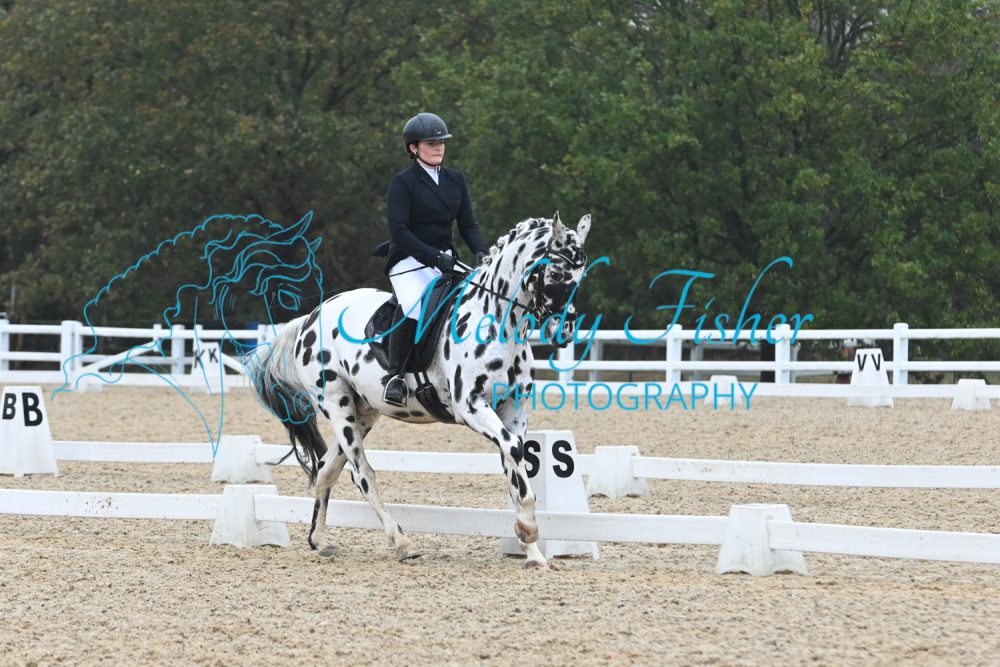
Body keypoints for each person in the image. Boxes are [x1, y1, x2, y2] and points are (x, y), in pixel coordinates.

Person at [372, 112, 488, 407]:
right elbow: (399, 231)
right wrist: (434, 257)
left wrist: (480, 250)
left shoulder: (455, 179)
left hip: (444, 258)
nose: (439, 147)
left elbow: (468, 224)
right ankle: (395, 377)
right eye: (431, 143)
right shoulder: (403, 183)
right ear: (413, 148)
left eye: (441, 142)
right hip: (408, 259)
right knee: (414, 303)